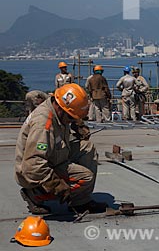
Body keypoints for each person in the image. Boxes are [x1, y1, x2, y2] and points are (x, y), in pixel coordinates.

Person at [15, 83, 107, 215]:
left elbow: (56, 101)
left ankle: (81, 202)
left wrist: (78, 123)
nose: (70, 121)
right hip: (33, 171)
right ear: (60, 109)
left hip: (53, 151)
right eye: (70, 117)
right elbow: (33, 165)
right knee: (85, 178)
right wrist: (56, 184)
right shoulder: (42, 124)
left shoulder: (55, 103)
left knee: (87, 147)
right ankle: (34, 194)